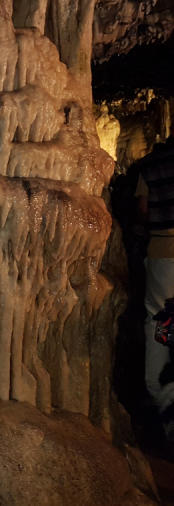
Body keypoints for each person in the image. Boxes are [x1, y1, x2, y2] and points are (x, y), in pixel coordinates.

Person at [136, 136, 174, 415]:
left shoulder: (150, 165)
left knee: (160, 318)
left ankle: (160, 389)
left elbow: (144, 211)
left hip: (163, 251)